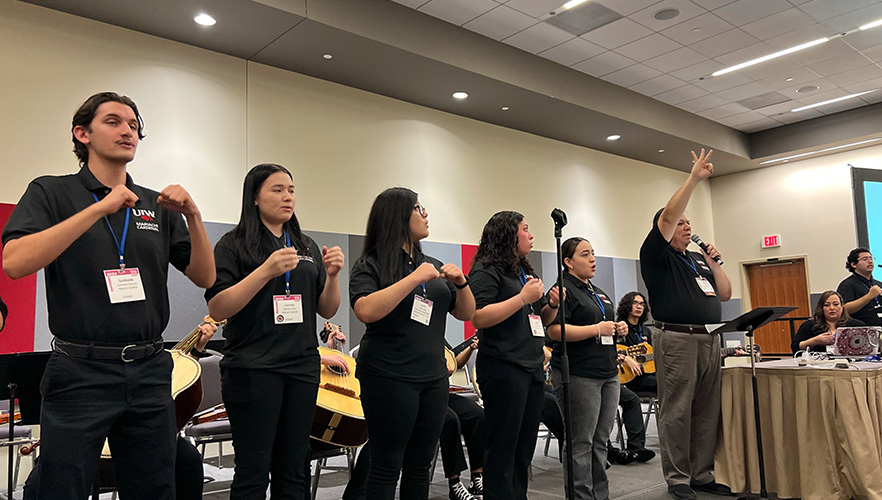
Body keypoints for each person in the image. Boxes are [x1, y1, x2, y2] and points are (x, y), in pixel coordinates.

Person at [1, 92, 215, 500]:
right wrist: (100, 208)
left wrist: (194, 216)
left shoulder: (156, 204)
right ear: (82, 134)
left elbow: (205, 276)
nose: (128, 131)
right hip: (80, 370)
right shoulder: (52, 192)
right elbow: (15, 261)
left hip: (150, 368)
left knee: (154, 487)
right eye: (114, 122)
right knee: (62, 488)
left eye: (134, 126)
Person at [204, 163, 347, 499]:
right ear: (254, 197)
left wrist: (334, 275)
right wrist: (265, 271)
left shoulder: (306, 246)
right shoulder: (233, 244)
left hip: (301, 367)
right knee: (254, 470)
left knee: (295, 466)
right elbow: (219, 308)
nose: (287, 197)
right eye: (277, 189)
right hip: (253, 369)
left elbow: (326, 309)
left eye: (292, 190)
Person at [349, 187, 475, 499]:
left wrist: (461, 282)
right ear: (398, 216)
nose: (426, 214)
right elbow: (365, 310)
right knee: (386, 465)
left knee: (420, 465)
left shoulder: (430, 263)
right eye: (419, 208)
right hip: (389, 376)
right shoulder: (372, 263)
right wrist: (414, 279)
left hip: (432, 378)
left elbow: (466, 312)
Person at [22, 322, 220, 500]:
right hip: (84, 406)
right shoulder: (80, 348)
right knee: (41, 482)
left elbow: (178, 379)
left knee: (189, 461)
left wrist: (197, 349)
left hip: (138, 417)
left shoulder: (148, 350)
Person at [639, 149, 733, 500]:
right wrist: (693, 179)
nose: (686, 226)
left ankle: (701, 472)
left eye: (689, 224)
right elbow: (666, 218)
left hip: (710, 340)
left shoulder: (696, 260)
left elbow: (724, 293)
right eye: (681, 223)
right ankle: (678, 477)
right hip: (676, 338)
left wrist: (714, 261)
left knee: (707, 410)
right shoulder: (656, 254)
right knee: (677, 411)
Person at [469, 211, 558, 500]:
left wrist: (553, 305)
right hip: (503, 367)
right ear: (508, 235)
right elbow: (478, 316)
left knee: (523, 447)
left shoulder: (523, 271)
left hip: (531, 367)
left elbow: (539, 318)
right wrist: (521, 297)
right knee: (503, 447)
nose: (531, 235)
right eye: (526, 229)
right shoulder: (485, 269)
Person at [547, 237, 626, 500]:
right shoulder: (563, 290)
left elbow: (604, 327)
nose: (593, 259)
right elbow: (554, 331)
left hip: (608, 373)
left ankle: (599, 495)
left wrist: (618, 330)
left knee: (601, 441)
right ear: (568, 262)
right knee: (581, 442)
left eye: (593, 253)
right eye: (585, 254)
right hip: (579, 374)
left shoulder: (597, 291)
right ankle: (580, 496)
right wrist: (596, 329)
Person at [608, 292, 656, 465]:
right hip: (624, 377)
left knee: (669, 383)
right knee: (634, 398)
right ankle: (635, 446)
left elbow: (651, 357)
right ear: (626, 305)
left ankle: (638, 447)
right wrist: (627, 357)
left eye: (642, 304)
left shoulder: (646, 331)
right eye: (635, 303)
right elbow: (610, 350)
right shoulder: (619, 328)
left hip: (645, 375)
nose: (639, 306)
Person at [442, 336, 487, 500]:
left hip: (442, 392)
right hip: (423, 394)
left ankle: (477, 476)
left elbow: (455, 364)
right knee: (450, 420)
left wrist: (470, 348)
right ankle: (454, 484)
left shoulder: (438, 337)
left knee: (478, 416)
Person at [791, 290, 864, 353]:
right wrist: (815, 341)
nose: (832, 308)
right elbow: (795, 347)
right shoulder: (809, 325)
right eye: (827, 305)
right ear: (821, 308)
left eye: (836, 304)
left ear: (842, 306)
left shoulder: (856, 325)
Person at [837, 247, 882, 326]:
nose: (870, 261)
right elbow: (844, 310)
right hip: (861, 328)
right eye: (865, 259)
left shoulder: (878, 284)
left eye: (871, 258)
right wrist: (869, 296)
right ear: (853, 264)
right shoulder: (847, 285)